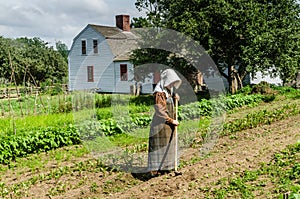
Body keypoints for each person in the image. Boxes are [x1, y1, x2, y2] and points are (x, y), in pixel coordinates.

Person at [148, 69, 182, 176]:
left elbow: (171, 102)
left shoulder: (168, 91)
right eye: (171, 82)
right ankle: (156, 170)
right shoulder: (159, 93)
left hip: (169, 125)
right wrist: (172, 121)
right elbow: (160, 111)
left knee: (169, 144)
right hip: (160, 125)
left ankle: (167, 167)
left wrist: (176, 98)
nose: (172, 84)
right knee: (159, 147)